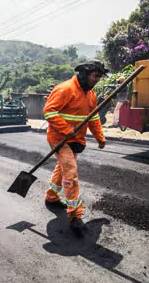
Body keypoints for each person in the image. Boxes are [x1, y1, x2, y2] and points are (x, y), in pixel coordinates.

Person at [43, 60, 107, 235]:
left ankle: (51, 197)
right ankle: (75, 216)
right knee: (70, 170)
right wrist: (66, 130)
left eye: (100, 77)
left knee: (62, 168)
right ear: (85, 73)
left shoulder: (91, 94)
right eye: (95, 76)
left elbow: (93, 119)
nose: (97, 80)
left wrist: (100, 137)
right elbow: (49, 111)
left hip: (75, 139)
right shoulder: (65, 89)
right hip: (59, 138)